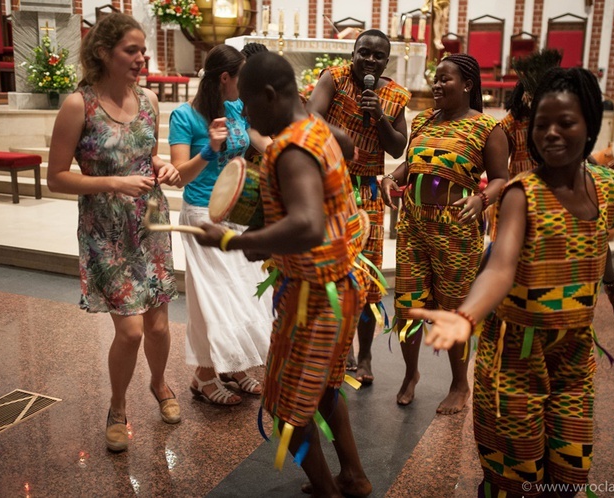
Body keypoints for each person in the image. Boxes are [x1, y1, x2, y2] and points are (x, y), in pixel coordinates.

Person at [412, 67, 614, 497]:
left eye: (565, 123)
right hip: (515, 357)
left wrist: (611, 280)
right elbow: (500, 265)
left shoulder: (608, 189)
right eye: (542, 124)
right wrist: (467, 316)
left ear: (590, 125)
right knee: (517, 478)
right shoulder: (521, 193)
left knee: (570, 474)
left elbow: (597, 239)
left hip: (574, 355)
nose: (550, 133)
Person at [195, 52, 372, 498]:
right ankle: (352, 475)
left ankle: (330, 492)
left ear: (270, 96)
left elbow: (308, 225)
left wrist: (236, 241)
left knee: (286, 410)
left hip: (313, 297)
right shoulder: (318, 128)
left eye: (249, 106)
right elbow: (347, 149)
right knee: (328, 388)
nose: (247, 117)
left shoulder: (290, 148)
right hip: (343, 285)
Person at [47, 13, 181, 452]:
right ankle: (118, 407)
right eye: (131, 50)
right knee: (131, 332)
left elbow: (150, 155)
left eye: (143, 50)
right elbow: (56, 178)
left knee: (160, 328)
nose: (141, 58)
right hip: (105, 230)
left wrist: (162, 166)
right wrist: (114, 182)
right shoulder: (78, 105)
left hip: (150, 224)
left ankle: (159, 385)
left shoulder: (149, 101)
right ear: (103, 52)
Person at [380, 54, 509, 414]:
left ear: (467, 85)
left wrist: (483, 199)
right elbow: (412, 164)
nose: (436, 85)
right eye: (435, 79)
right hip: (413, 226)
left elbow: (502, 177)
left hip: (457, 230)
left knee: (454, 311)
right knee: (408, 309)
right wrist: (392, 178)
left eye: (445, 79)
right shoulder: (423, 120)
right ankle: (411, 374)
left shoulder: (486, 127)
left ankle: (458, 384)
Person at [169, 44, 273, 406]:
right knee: (215, 299)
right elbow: (179, 176)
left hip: (238, 211)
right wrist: (209, 150)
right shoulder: (185, 116)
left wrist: (292, 150)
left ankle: (236, 366)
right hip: (202, 216)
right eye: (240, 77)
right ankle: (204, 375)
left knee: (248, 293)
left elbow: (257, 141)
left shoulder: (234, 108)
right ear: (225, 77)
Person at [307, 29, 411, 386]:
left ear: (386, 61)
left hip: (367, 191)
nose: (369, 59)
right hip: (329, 185)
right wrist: (343, 142)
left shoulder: (395, 96)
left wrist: (380, 115)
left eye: (377, 56)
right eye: (363, 52)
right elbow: (311, 117)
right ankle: (338, 347)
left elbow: (398, 149)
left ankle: (365, 353)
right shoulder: (333, 79)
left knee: (367, 278)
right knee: (331, 272)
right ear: (353, 52)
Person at [499, 49, 562, 178]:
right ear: (526, 97)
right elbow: (500, 162)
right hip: (521, 184)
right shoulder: (514, 121)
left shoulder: (558, 121)